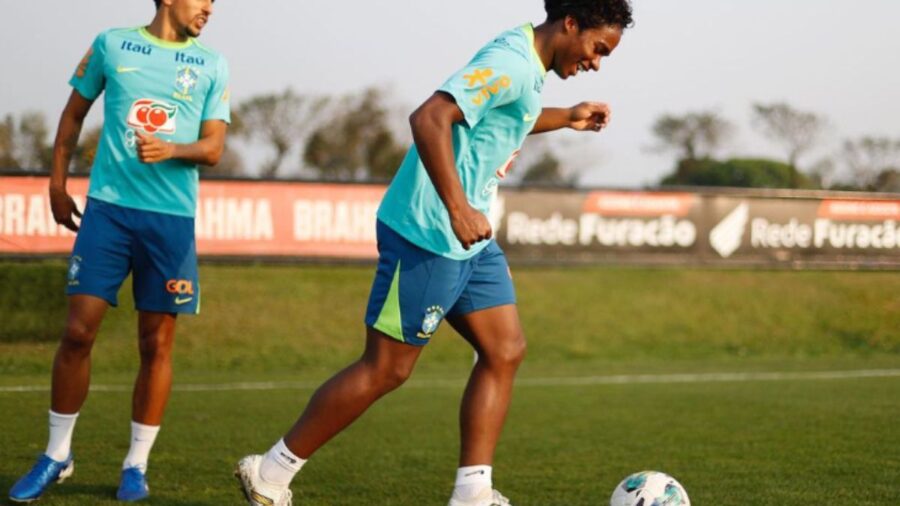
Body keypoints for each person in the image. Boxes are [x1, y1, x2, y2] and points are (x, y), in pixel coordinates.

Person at [236, 1, 632, 505]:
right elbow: (429, 117)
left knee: (504, 349)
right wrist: (458, 208)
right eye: (598, 48)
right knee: (387, 369)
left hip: (472, 242)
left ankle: (473, 494)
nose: (596, 61)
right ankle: (270, 473)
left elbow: (503, 117)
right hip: (429, 232)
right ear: (570, 24)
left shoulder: (530, 67)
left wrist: (568, 118)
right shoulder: (511, 62)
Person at [8, 0, 229, 502]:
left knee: (155, 345)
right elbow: (72, 116)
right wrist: (57, 184)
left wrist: (173, 149)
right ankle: (56, 454)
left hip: (170, 222)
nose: (210, 8)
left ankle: (136, 465)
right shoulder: (111, 43)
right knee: (77, 331)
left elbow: (214, 148)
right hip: (107, 212)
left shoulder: (212, 64)